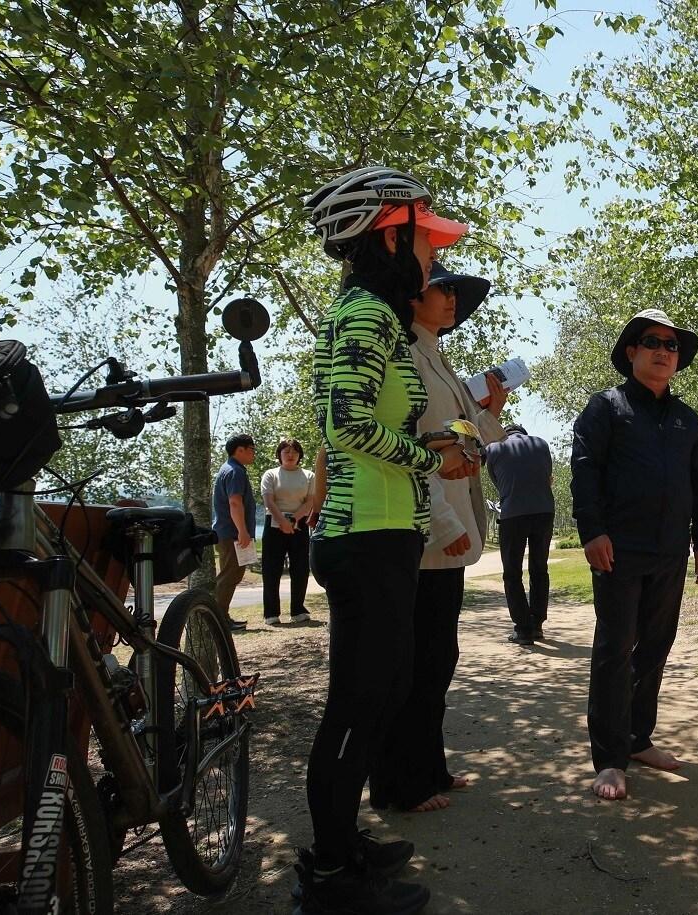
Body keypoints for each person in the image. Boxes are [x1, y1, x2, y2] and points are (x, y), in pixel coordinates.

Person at [296, 164, 474, 915]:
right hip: (363, 532)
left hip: (385, 531)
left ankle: (347, 844)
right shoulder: (365, 315)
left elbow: (380, 422)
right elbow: (345, 428)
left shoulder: (375, 311)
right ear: (386, 235)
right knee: (360, 700)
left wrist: (431, 437)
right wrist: (430, 453)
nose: (434, 254)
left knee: (384, 689)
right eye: (424, 237)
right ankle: (332, 874)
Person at [369, 263, 509, 814]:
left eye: (454, 290)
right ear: (413, 296)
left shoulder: (433, 351)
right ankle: (399, 783)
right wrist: (445, 524)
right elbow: (408, 443)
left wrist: (490, 416)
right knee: (415, 660)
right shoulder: (404, 354)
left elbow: (462, 437)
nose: (451, 297)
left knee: (437, 656)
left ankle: (429, 768)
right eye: (441, 287)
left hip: (442, 524)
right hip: (425, 528)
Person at [571, 308, 698, 802]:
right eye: (652, 342)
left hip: (670, 551)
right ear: (631, 352)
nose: (662, 351)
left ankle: (637, 739)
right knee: (615, 650)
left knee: (656, 644)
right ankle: (609, 759)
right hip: (619, 551)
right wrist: (592, 531)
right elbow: (585, 472)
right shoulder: (605, 408)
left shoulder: (686, 419)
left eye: (671, 345)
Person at [485, 423, 555, 645]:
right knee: (539, 568)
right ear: (523, 433)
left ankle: (523, 628)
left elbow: (498, 482)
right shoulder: (541, 444)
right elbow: (547, 477)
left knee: (512, 572)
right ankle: (537, 624)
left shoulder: (494, 448)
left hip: (513, 513)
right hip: (544, 511)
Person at [260, 438, 314, 625]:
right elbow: (268, 500)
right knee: (271, 569)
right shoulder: (271, 474)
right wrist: (282, 521)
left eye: (294, 451)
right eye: (286, 451)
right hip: (274, 523)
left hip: (299, 524)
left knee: (300, 568)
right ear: (279, 455)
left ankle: (298, 609)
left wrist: (294, 519)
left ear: (299, 455)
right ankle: (271, 613)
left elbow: (310, 500)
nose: (290, 455)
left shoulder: (308, 475)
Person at [211, 433, 256, 632]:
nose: (254, 453)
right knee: (229, 576)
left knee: (233, 575)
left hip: (231, 533)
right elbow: (235, 502)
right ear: (240, 450)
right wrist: (242, 531)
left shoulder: (230, 469)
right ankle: (218, 620)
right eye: (251, 449)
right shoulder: (235, 471)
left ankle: (222, 616)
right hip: (232, 534)